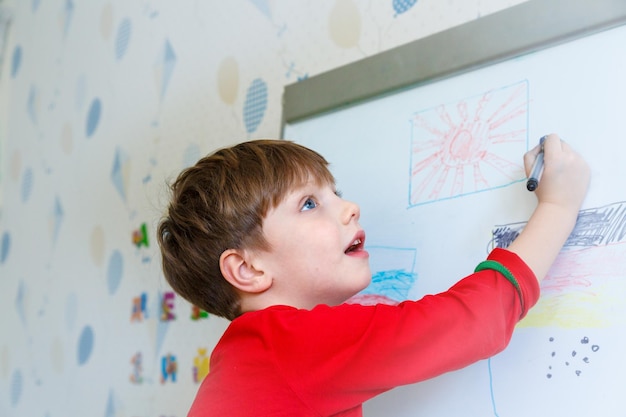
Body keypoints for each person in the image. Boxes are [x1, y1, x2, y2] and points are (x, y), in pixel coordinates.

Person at [157, 134, 589, 417]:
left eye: (336, 193)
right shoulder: (288, 343)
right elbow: (473, 322)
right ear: (248, 269)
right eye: (309, 203)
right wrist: (558, 208)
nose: (350, 208)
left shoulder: (248, 358)